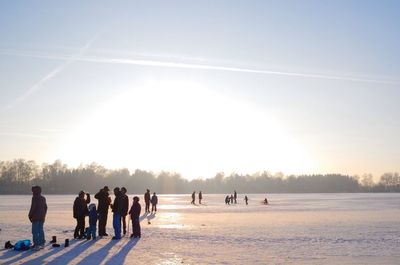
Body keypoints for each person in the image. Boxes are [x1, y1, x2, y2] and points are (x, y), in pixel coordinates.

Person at [29, 186, 47, 250]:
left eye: (33, 191)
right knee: (40, 230)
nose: (32, 192)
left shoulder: (34, 198)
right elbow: (45, 207)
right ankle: (42, 242)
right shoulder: (43, 198)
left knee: (35, 231)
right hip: (42, 216)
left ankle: (36, 244)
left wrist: (30, 215)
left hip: (35, 217)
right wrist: (44, 214)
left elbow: (33, 207)